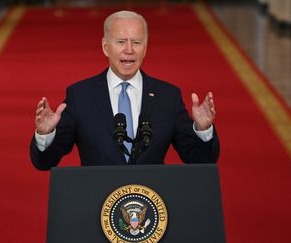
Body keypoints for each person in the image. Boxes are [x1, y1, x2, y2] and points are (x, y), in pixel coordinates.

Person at [30, 10, 219, 170]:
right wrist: (45, 135)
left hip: (151, 204)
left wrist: (203, 130)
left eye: (136, 42)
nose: (129, 50)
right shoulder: (80, 96)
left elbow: (199, 161)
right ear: (105, 46)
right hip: (97, 204)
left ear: (145, 48)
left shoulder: (168, 96)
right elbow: (45, 162)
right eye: (121, 42)